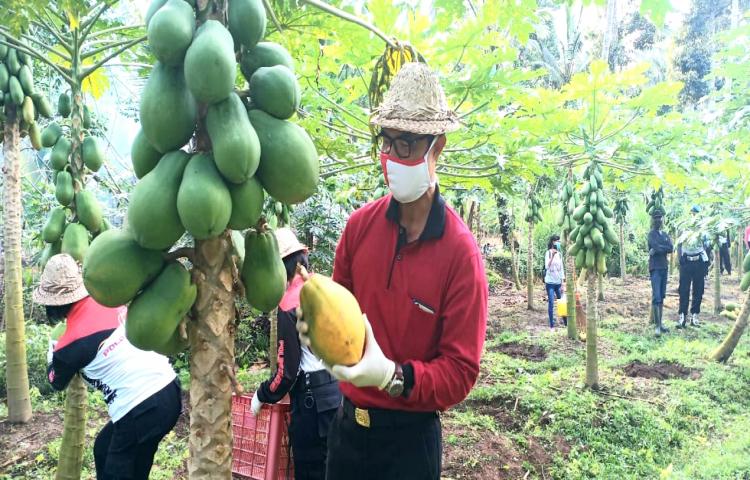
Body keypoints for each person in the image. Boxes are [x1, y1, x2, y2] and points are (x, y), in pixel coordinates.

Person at [296, 62, 488, 479]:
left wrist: (392, 376)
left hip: (409, 444)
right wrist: (314, 332)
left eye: (408, 144)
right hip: (347, 432)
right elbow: (338, 311)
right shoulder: (358, 229)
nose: (394, 157)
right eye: (388, 142)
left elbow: (460, 371)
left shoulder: (461, 254)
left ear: (438, 147)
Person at [33, 254, 181, 480]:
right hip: (169, 391)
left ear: (54, 305)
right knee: (104, 448)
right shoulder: (110, 299)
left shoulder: (69, 344)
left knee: (116, 473)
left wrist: (52, 352)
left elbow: (56, 381)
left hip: (140, 408)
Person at [250, 228, 341, 480]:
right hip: (338, 397)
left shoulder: (290, 303)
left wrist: (262, 394)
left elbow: (286, 372)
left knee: (312, 472)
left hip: (313, 406)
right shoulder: (323, 287)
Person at [676, 206, 708, 328]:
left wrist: (705, 262)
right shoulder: (684, 227)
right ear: (689, 214)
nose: (694, 216)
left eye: (696, 214)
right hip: (686, 261)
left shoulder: (703, 229)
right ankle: (682, 316)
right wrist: (680, 259)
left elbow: (707, 245)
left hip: (699, 261)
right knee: (684, 289)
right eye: (692, 213)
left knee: (698, 289)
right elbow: (679, 244)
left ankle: (694, 316)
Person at [647, 210, 673, 336]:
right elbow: (656, 246)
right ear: (653, 220)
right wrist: (661, 248)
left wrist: (659, 249)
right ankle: (657, 326)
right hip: (655, 268)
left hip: (664, 267)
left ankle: (661, 323)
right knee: (656, 296)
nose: (658, 220)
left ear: (662, 220)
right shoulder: (651, 234)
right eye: (656, 218)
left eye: (660, 218)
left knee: (662, 296)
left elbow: (671, 248)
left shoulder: (665, 234)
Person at [543, 235, 565, 329]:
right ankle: (551, 325)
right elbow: (547, 267)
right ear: (553, 242)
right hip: (550, 283)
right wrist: (552, 256)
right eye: (557, 241)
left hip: (558, 283)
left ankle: (566, 323)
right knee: (551, 302)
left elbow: (561, 269)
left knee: (561, 303)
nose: (558, 243)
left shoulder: (560, 254)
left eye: (559, 241)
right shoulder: (548, 253)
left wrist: (563, 283)